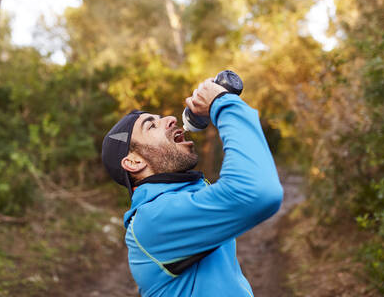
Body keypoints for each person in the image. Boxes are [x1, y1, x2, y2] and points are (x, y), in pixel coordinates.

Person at [101, 77, 284, 296]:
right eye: (151, 125)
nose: (169, 119)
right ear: (134, 162)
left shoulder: (187, 197)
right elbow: (257, 191)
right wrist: (223, 103)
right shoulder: (153, 219)